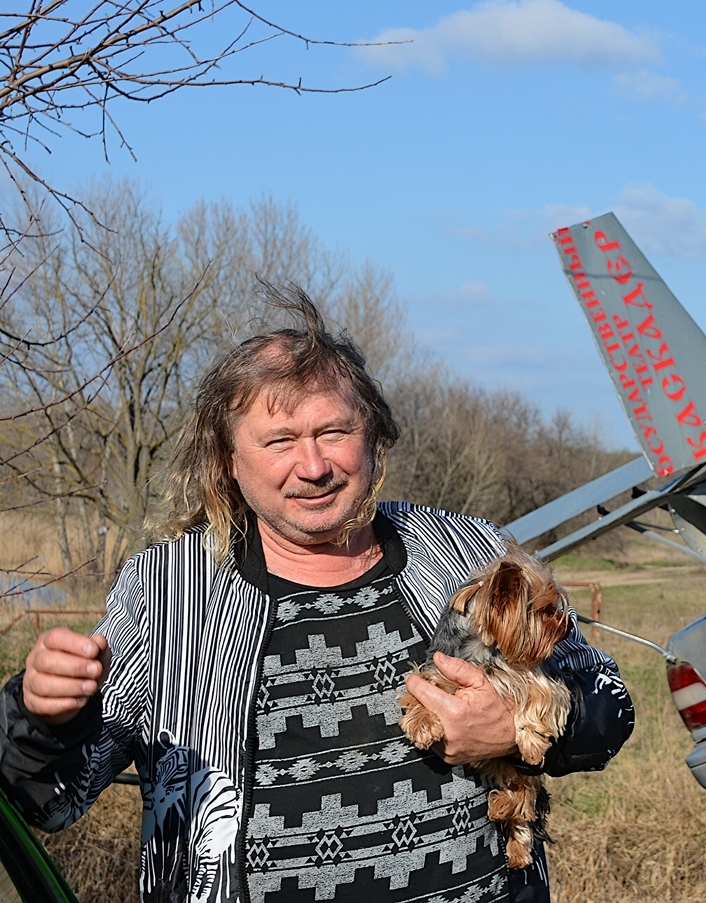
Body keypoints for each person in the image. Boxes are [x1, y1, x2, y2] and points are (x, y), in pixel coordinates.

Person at [0, 286, 634, 903]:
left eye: (333, 432)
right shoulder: (167, 590)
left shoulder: (467, 550)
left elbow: (611, 703)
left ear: (373, 434)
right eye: (279, 441)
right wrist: (38, 714)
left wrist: (525, 725)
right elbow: (52, 800)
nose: (313, 466)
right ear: (227, 459)